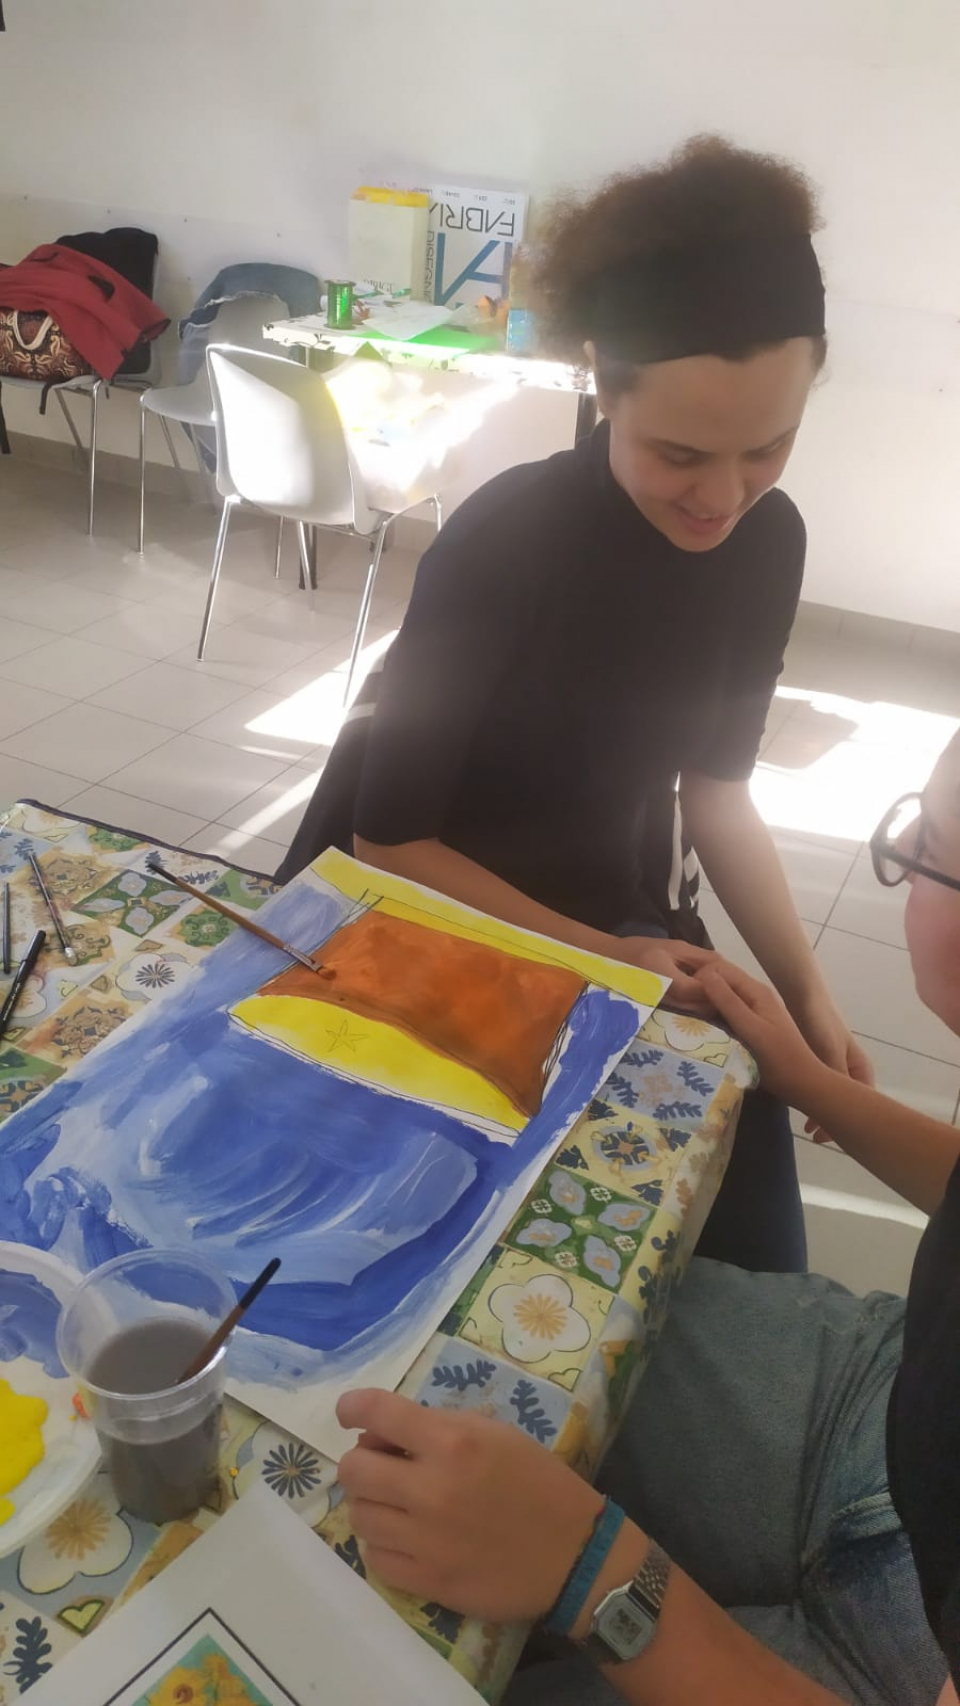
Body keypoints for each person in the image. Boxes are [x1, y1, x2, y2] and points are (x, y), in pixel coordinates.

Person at [278, 136, 872, 1272]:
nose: (723, 496)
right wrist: (611, 956)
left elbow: (718, 792)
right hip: (431, 907)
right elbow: (390, 844)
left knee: (743, 1233)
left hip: (613, 901)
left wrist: (809, 1002)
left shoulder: (768, 542)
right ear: (604, 382)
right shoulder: (505, 541)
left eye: (769, 447)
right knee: (426, 1245)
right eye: (680, 451)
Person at [334, 733, 960, 1706]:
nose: (908, 868)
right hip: (884, 1402)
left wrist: (594, 1575)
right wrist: (804, 1078)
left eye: (930, 853)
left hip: (892, 1651)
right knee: (482, 1322)